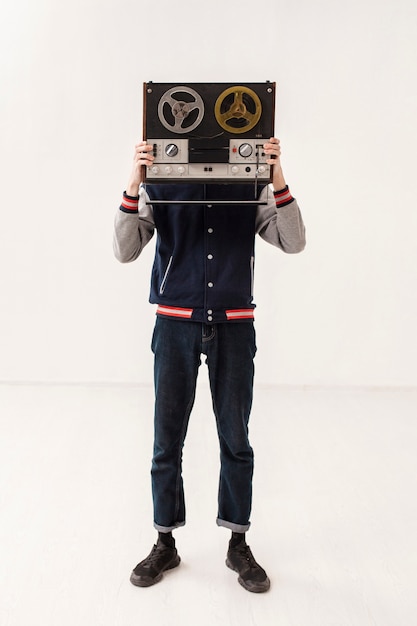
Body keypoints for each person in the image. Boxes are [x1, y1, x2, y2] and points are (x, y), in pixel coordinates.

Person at [113, 137, 306, 593]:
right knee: (166, 441)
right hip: (175, 322)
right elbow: (125, 250)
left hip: (235, 325)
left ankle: (238, 542)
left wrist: (276, 173)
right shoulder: (160, 183)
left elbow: (293, 241)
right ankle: (165, 541)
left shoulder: (250, 181)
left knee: (236, 440)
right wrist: (134, 180)